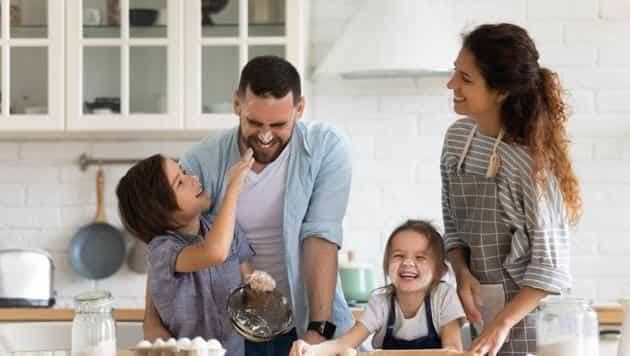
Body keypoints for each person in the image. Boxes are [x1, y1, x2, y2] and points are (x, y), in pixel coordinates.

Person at [143, 55, 355, 356]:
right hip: (229, 333)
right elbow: (168, 240)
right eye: (254, 123)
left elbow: (320, 236)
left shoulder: (325, 149)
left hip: (306, 323)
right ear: (237, 106)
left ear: (300, 109)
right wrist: (153, 324)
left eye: (279, 124)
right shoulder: (201, 160)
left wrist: (318, 331)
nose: (266, 136)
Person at [441, 23, 582, 355]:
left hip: (533, 328)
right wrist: (462, 274)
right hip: (480, 317)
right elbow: (453, 228)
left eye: (466, 79)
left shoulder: (529, 165)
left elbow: (551, 266)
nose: (452, 85)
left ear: (500, 91)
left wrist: (502, 324)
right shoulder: (456, 140)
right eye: (455, 72)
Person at [116, 150, 264, 355]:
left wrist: (258, 289)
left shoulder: (228, 230)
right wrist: (233, 189)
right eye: (180, 182)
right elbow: (214, 253)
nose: (193, 178)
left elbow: (249, 289)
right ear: (160, 210)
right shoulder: (163, 251)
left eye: (184, 171)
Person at [289, 220, 466, 356]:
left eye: (420, 257)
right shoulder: (381, 301)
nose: (408, 263)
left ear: (440, 271)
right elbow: (344, 344)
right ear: (387, 263)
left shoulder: (444, 297)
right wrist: (312, 350)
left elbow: (452, 351)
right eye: (399, 255)